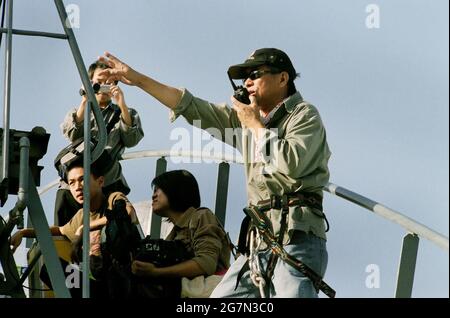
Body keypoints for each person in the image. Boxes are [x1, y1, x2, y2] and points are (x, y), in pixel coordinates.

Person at [98, 48, 331, 298]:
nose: (247, 82)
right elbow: (192, 107)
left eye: (255, 74)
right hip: (258, 243)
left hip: (296, 238)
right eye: (244, 78)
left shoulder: (304, 116)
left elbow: (291, 163)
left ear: (283, 78)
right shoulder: (242, 121)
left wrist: (254, 124)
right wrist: (137, 79)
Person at [10, 153, 139, 297]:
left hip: (123, 280)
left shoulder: (112, 199)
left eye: (82, 180)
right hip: (98, 286)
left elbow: (128, 214)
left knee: (116, 228)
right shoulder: (82, 216)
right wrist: (23, 232)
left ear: (100, 181)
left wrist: (85, 228)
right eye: (72, 183)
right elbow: (59, 230)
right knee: (52, 268)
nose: (77, 187)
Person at [55, 60, 144, 226]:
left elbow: (131, 140)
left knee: (114, 227)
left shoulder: (126, 113)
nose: (104, 86)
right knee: (64, 228)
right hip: (76, 181)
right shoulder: (79, 112)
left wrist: (121, 104)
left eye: (109, 83)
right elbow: (72, 133)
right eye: (99, 83)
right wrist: (85, 100)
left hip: (107, 180)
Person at [131, 170, 230, 298]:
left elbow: (207, 263)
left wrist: (156, 272)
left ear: (176, 190)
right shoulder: (173, 234)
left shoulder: (201, 216)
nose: (153, 196)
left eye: (158, 190)